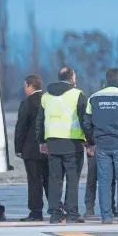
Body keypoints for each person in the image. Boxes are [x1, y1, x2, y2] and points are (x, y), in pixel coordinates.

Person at [83, 68, 118, 225]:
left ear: (107, 80)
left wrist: (92, 141)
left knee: (104, 181)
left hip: (102, 145)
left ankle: (106, 216)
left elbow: (86, 123)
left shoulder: (93, 98)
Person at [36, 67, 87, 224]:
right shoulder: (77, 94)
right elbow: (85, 120)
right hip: (73, 143)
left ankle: (55, 214)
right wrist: (90, 141)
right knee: (72, 180)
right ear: (72, 78)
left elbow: (40, 121)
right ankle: (72, 214)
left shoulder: (45, 96)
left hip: (52, 143)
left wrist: (41, 141)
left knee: (55, 180)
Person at [15, 74, 48, 222]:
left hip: (31, 150)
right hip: (49, 148)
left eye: (24, 86)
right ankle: (56, 209)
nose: (24, 89)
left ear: (30, 86)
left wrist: (18, 147)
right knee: (50, 180)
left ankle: (36, 212)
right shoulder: (49, 100)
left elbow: (21, 127)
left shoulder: (26, 103)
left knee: (34, 182)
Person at [84, 148, 117, 217]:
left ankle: (111, 206)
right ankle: (89, 208)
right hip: (95, 147)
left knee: (111, 179)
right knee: (92, 178)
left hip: (111, 146)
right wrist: (88, 144)